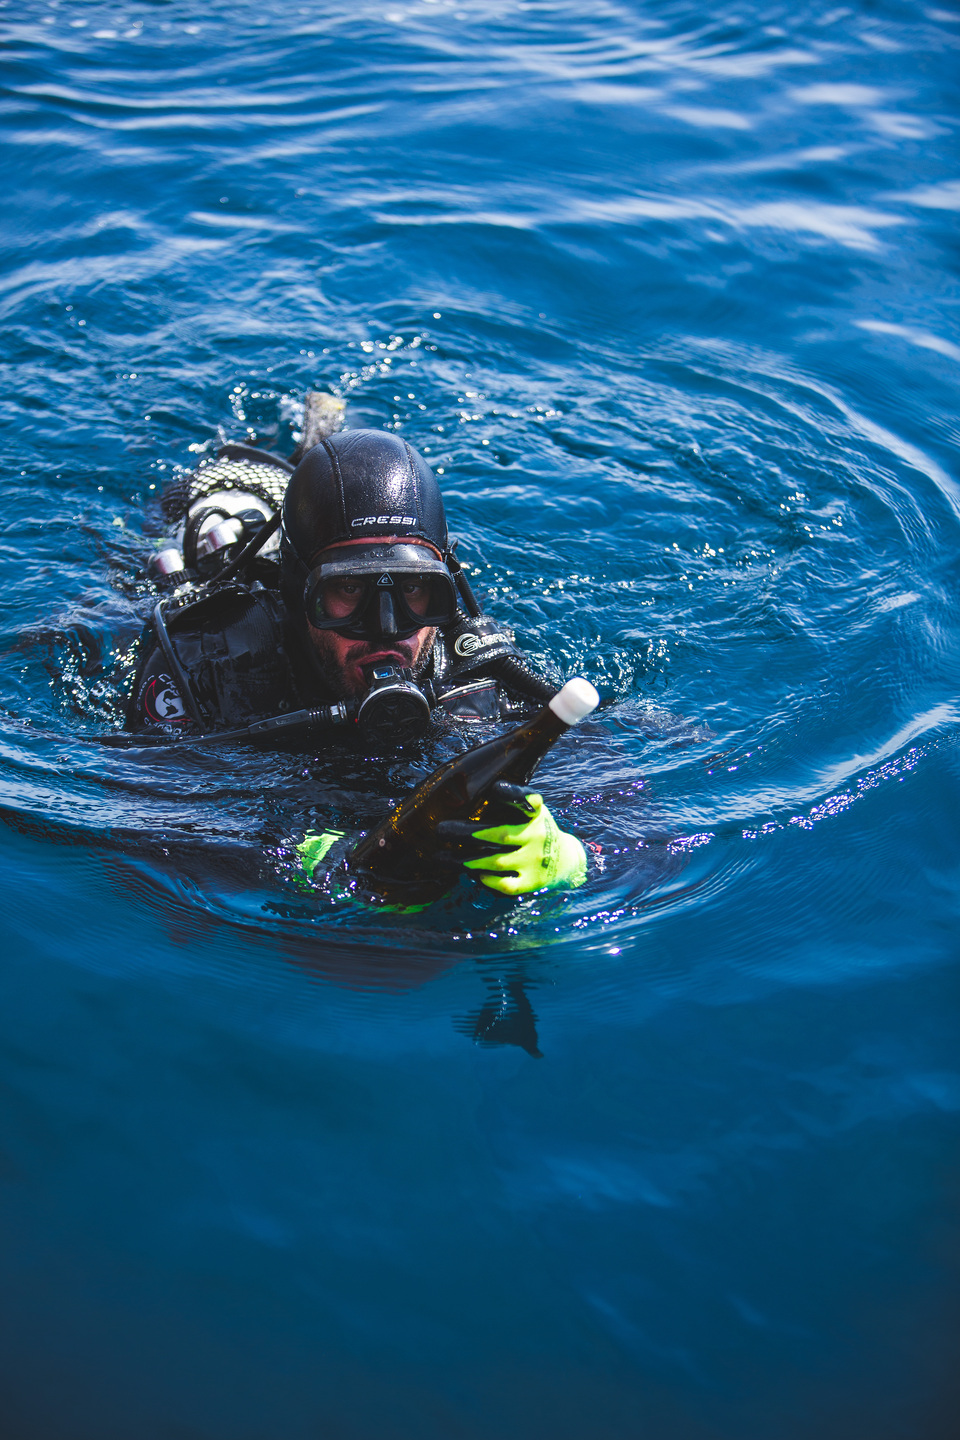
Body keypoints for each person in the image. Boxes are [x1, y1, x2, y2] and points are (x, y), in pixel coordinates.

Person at [127, 405, 590, 903]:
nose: (388, 630)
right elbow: (150, 838)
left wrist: (577, 857)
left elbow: (642, 812)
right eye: (347, 589)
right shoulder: (210, 669)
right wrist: (296, 853)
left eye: (415, 591)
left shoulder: (473, 671)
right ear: (296, 591)